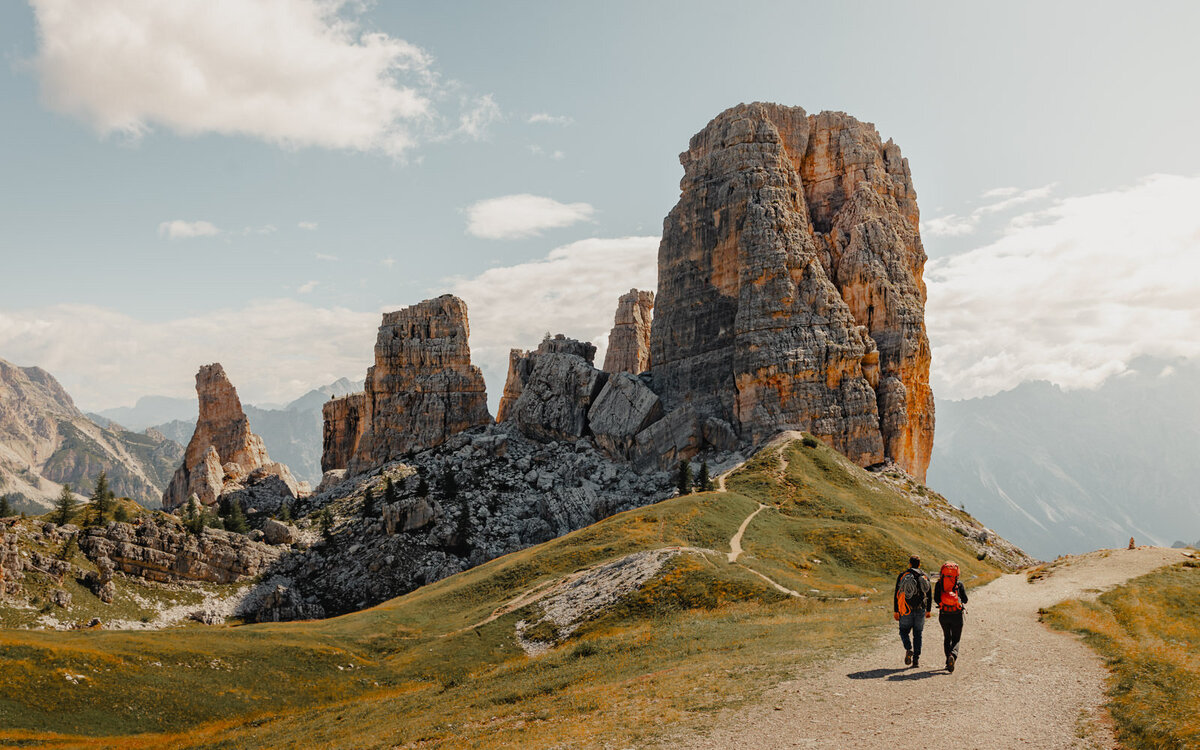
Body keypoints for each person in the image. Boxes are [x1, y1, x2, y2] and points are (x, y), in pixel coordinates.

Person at [894, 554, 932, 667]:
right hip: (921, 609)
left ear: (910, 564)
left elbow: (897, 594)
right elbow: (929, 594)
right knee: (918, 634)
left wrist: (896, 610)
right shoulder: (924, 576)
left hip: (906, 609)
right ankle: (916, 660)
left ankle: (908, 648)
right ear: (919, 564)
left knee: (903, 631)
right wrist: (928, 610)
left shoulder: (903, 575)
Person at [933, 560, 969, 672]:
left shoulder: (939, 584)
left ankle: (947, 660)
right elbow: (965, 600)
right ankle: (952, 655)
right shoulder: (959, 584)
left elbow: (936, 599)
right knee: (956, 639)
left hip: (944, 614)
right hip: (957, 614)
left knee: (947, 637)